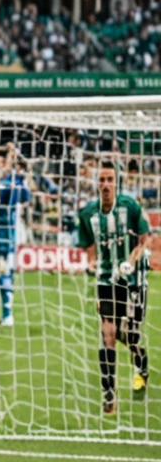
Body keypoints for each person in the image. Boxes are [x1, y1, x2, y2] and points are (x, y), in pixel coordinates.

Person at [76, 163, 150, 415]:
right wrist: (90, 262)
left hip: (132, 280)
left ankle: (141, 367)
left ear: (116, 182)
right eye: (101, 180)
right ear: (97, 183)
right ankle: (108, 392)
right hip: (106, 279)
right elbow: (88, 246)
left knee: (129, 334)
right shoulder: (87, 213)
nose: (105, 184)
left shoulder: (129, 207)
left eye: (110, 179)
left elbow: (144, 239)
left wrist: (130, 261)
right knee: (107, 332)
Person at [0, 146, 30, 326]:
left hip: (8, 233)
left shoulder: (13, 183)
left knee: (5, 272)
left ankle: (7, 314)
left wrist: (14, 157)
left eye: (1, 163)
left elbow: (23, 196)